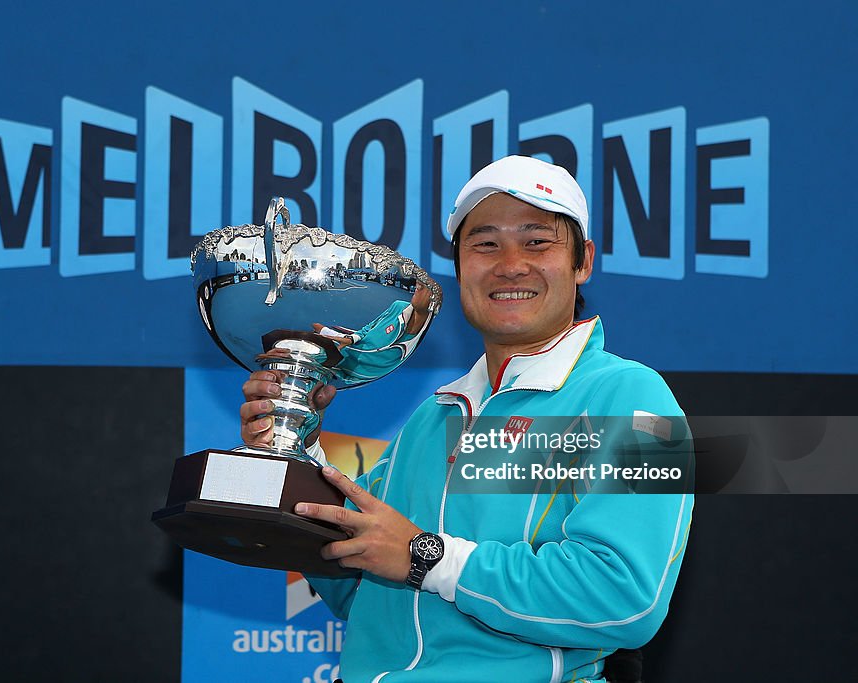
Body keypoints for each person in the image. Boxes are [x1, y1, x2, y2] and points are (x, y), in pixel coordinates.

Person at [240, 156, 693, 682]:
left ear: (583, 261)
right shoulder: (433, 416)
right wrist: (298, 448)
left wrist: (426, 557)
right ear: (459, 267)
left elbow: (626, 598)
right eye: (485, 244)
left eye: (537, 241)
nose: (510, 264)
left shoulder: (639, 398)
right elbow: (359, 588)